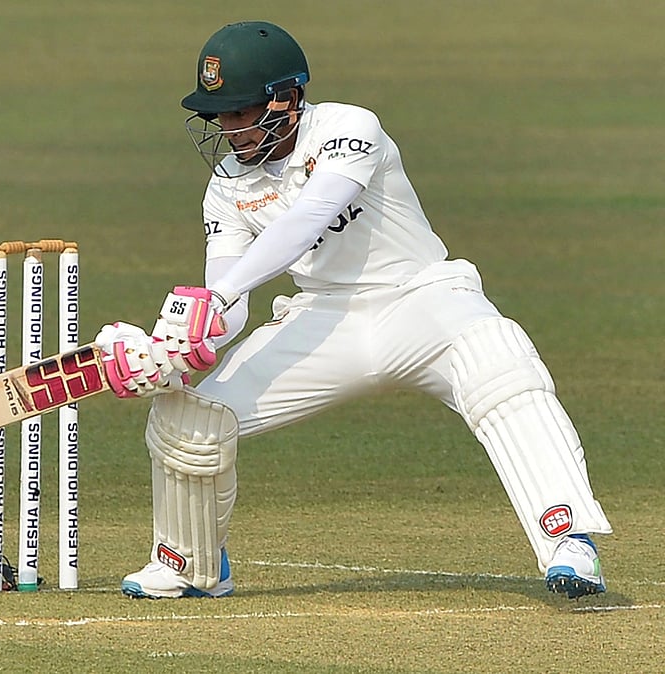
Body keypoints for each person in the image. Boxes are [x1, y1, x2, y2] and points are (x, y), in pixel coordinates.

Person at [94, 22, 611, 600]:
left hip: (422, 297)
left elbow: (309, 217)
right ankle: (187, 565)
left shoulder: (348, 129)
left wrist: (211, 300)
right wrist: (182, 347)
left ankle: (568, 541)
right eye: (220, 115)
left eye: (240, 111)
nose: (229, 127)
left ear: (286, 99)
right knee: (188, 416)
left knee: (499, 363)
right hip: (324, 317)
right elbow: (229, 298)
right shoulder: (227, 187)